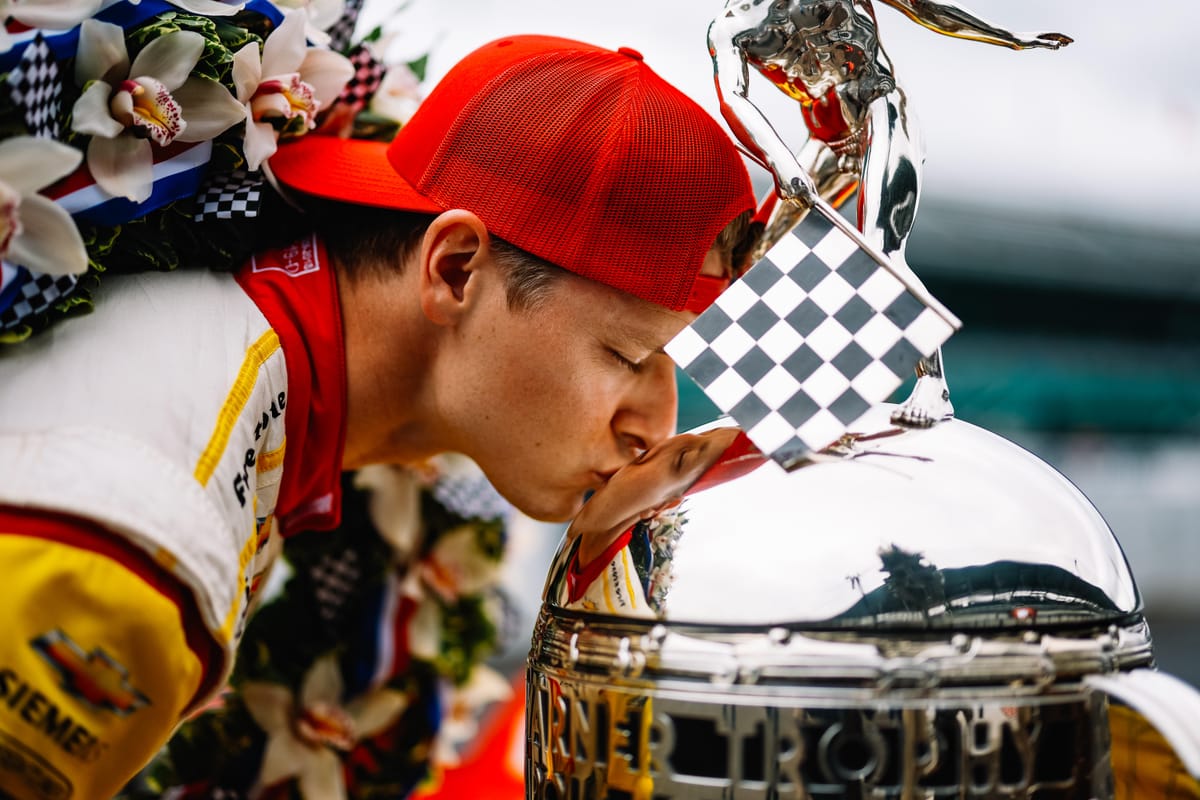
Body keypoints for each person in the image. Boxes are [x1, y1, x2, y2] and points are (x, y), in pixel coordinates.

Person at [0, 32, 757, 800]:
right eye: (629, 357)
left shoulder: (224, 361)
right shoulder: (133, 546)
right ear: (455, 268)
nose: (656, 428)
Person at [708, 0, 1070, 426]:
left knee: (881, 252)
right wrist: (783, 165)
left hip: (880, 111)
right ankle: (782, 392)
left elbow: (923, 7)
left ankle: (933, 384)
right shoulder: (733, 27)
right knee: (752, 256)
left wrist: (1009, 38)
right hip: (825, 139)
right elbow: (733, 98)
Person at [561, 425, 765, 617]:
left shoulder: (625, 613)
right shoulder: (576, 561)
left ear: (661, 506)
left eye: (683, 459)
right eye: (701, 433)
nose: (661, 443)